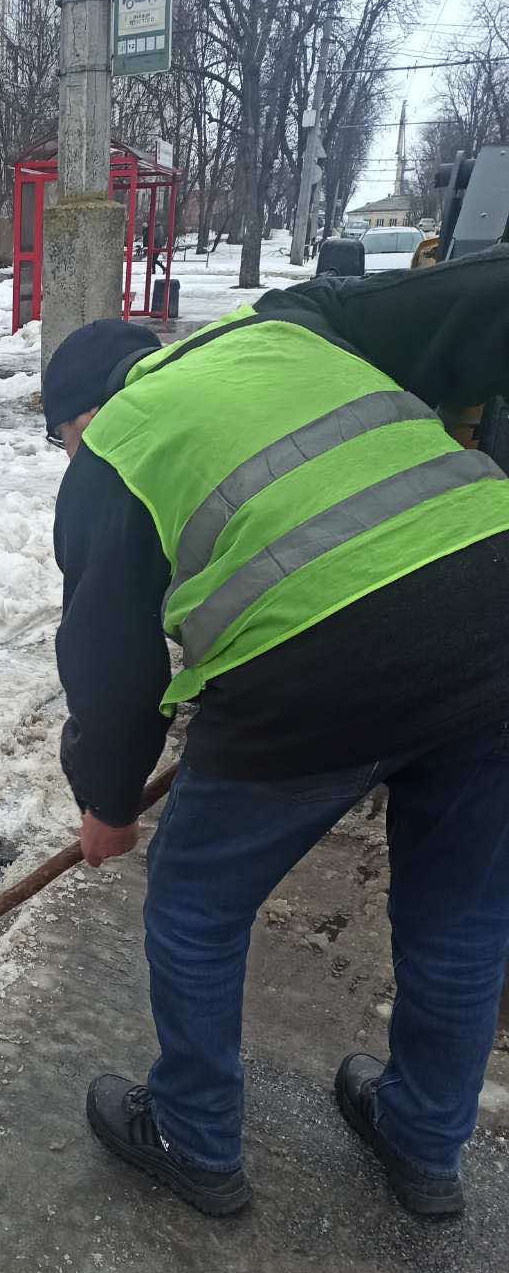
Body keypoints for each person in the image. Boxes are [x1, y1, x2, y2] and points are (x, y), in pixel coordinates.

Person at [42, 251, 509, 1221]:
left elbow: (113, 664)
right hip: (496, 607)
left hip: (316, 662)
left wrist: (107, 803)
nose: (68, 460)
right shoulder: (291, 330)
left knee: (195, 907)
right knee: (460, 914)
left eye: (60, 443)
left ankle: (192, 1135)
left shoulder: (114, 447)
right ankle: (422, 1140)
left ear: (80, 416)